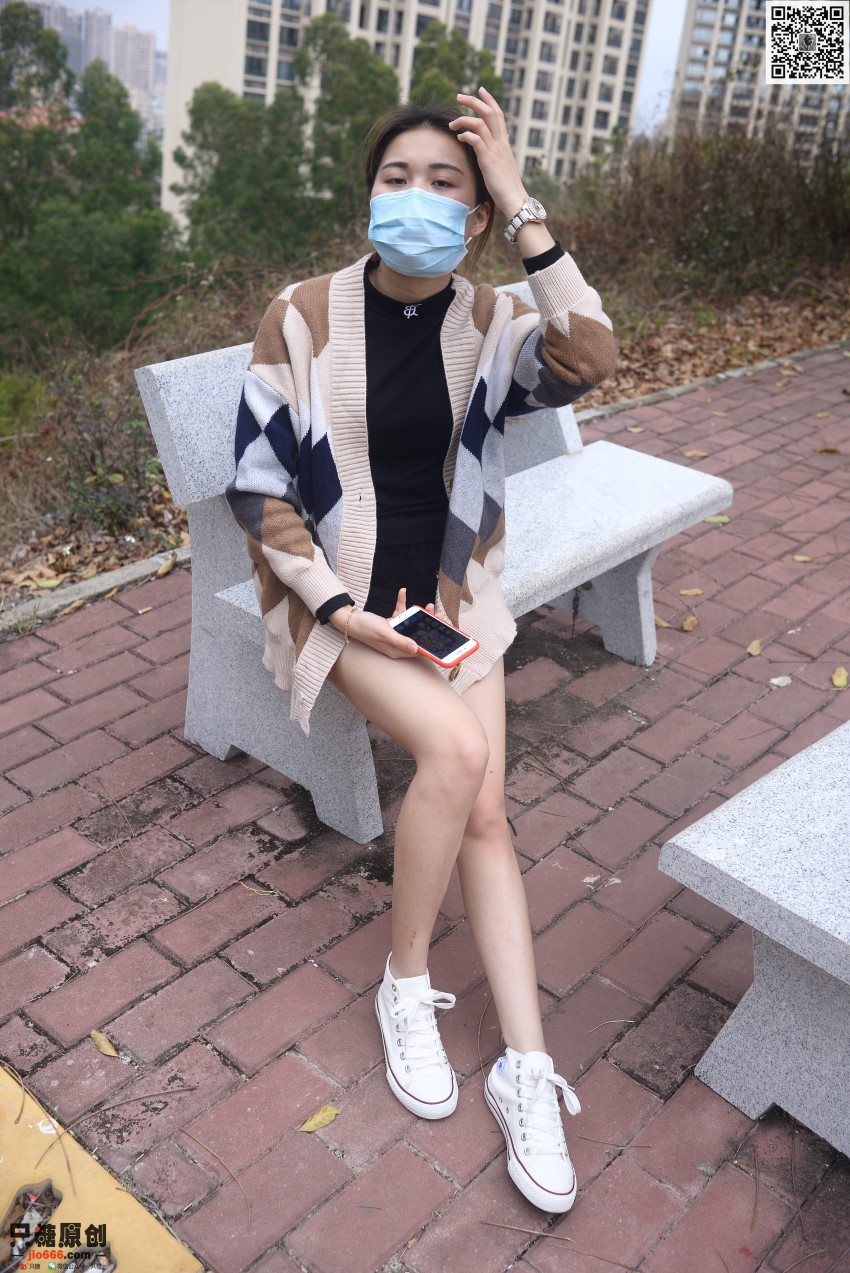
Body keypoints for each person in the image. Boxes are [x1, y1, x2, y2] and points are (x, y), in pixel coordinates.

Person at [225, 86, 617, 1214]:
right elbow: (258, 488)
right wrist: (336, 608)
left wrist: (521, 200)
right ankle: (405, 981)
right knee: (458, 757)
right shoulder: (301, 314)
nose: (416, 197)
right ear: (367, 195)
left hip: (448, 597)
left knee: (487, 812)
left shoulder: (493, 321)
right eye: (396, 177)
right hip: (340, 603)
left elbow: (589, 356)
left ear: (475, 216)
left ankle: (526, 1068)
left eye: (445, 184)